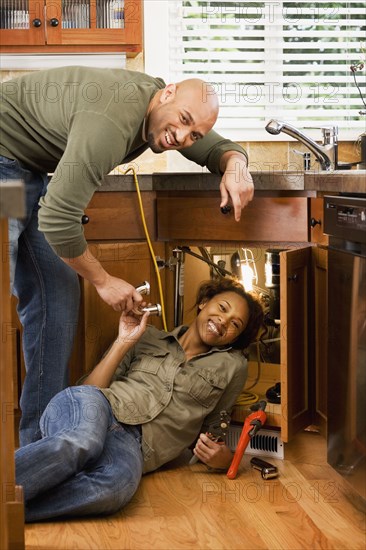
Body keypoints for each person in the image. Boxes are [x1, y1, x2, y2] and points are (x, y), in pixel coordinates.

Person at [0, 66, 254, 446]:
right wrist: (103, 281)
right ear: (167, 93)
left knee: (58, 298)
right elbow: (57, 219)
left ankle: (39, 448)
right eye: (183, 122)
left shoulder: (159, 112)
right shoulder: (112, 120)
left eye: (193, 133)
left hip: (27, 176)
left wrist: (237, 166)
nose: (181, 138)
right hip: (4, 168)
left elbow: (217, 148)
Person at [15, 277, 264, 522]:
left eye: (236, 324)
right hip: (97, 408)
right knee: (81, 440)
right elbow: (89, 389)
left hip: (134, 447)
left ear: (235, 338)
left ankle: (11, 513)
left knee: (115, 487)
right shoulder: (148, 336)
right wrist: (124, 341)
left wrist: (224, 460)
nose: (224, 321)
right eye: (222, 308)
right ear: (204, 302)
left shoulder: (234, 367)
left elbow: (212, 434)